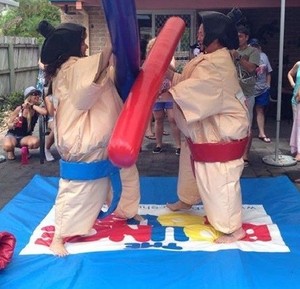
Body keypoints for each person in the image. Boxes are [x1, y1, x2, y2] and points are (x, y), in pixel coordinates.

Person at [37, 20, 141, 256]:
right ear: (70, 46)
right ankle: (59, 236)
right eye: (82, 42)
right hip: (83, 144)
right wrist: (110, 47)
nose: (85, 46)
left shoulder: (79, 68)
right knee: (78, 191)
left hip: (108, 141)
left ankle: (126, 211)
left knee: (123, 179)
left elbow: (101, 77)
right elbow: (86, 91)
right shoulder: (71, 70)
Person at [161, 11, 249, 243]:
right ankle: (187, 198)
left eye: (202, 31)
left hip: (221, 133)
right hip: (205, 126)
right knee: (190, 158)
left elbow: (195, 89)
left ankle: (232, 229)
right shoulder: (209, 59)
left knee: (220, 181)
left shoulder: (216, 65)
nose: (198, 35)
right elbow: (189, 82)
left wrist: (161, 95)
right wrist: (168, 73)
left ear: (216, 35)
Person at [146, 38, 181, 155]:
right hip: (157, 94)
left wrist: (164, 61)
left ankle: (178, 145)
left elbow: (174, 70)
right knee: (158, 118)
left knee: (172, 118)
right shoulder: (149, 61)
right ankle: (158, 144)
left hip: (168, 93)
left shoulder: (169, 58)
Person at [231, 25, 260, 166]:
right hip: (233, 94)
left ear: (246, 37)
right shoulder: (232, 51)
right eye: (236, 36)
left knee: (247, 124)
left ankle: (245, 155)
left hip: (247, 93)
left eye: (241, 36)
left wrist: (239, 58)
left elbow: (251, 68)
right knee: (233, 124)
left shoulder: (253, 51)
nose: (238, 39)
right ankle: (234, 151)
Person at [2, 86, 47, 160]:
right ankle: (11, 150)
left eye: (38, 94)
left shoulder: (36, 110)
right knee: (8, 146)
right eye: (35, 94)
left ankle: (24, 148)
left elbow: (44, 112)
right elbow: (9, 125)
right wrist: (13, 124)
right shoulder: (20, 109)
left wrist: (32, 106)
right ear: (29, 96)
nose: (37, 96)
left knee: (36, 142)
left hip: (25, 137)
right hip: (13, 135)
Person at [249, 38, 273, 143]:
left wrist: (268, 84)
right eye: (253, 46)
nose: (255, 48)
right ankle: (247, 133)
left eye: (256, 46)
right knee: (248, 112)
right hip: (249, 90)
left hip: (262, 89)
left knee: (260, 110)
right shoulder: (247, 56)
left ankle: (261, 133)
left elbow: (268, 72)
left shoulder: (264, 57)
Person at [287, 61, 300, 160]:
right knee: (297, 125)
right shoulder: (298, 64)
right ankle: (297, 149)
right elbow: (290, 74)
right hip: (296, 99)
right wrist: (293, 84)